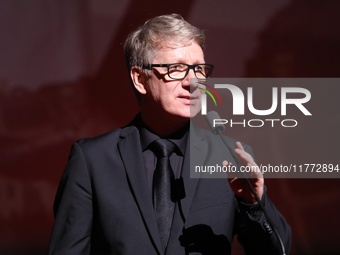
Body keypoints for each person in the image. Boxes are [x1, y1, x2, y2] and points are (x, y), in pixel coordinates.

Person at [48, 14, 291, 255]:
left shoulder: (228, 156)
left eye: (199, 69)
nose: (192, 82)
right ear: (140, 78)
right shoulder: (92, 160)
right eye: (176, 69)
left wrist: (254, 204)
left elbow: (275, 251)